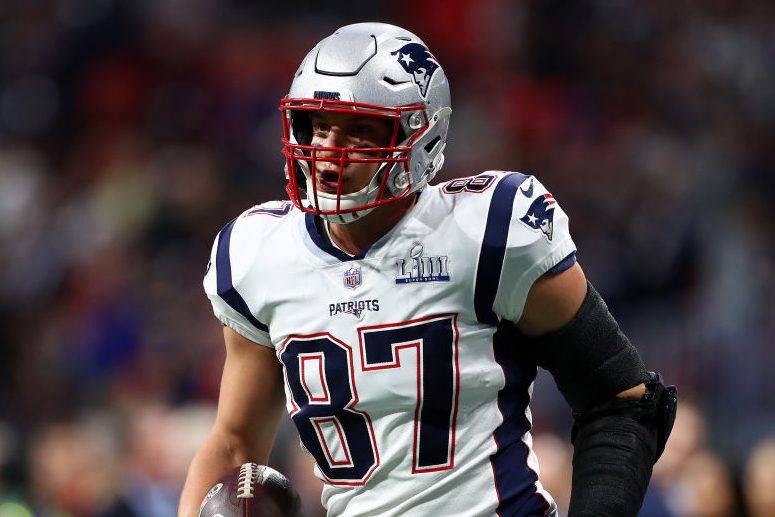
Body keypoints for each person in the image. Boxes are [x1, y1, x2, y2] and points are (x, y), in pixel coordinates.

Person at [178, 22, 677, 517]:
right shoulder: (258, 254)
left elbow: (622, 400)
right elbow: (233, 446)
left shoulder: (487, 231)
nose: (329, 149)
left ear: (421, 138)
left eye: (361, 129)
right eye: (319, 124)